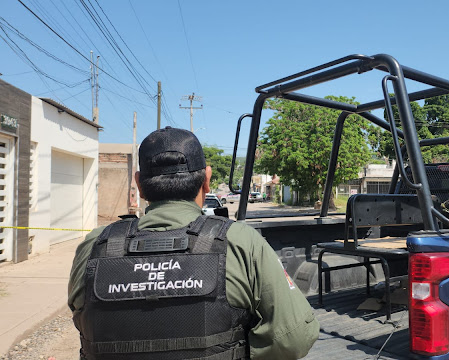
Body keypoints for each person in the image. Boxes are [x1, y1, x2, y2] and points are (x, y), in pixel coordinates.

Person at [68, 127, 319, 359]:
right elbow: (295, 337)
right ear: (206, 179)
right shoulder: (241, 242)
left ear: (139, 184)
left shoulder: (94, 246)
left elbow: (83, 319)